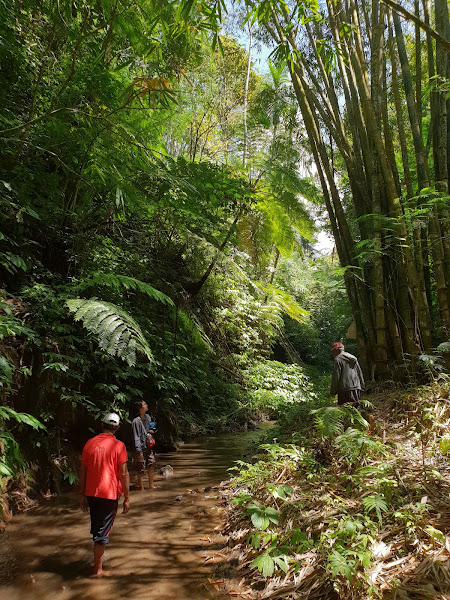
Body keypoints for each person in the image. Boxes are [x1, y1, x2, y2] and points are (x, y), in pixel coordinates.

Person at [79, 412, 130, 578]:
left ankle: (96, 562)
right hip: (108, 494)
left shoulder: (89, 443)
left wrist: (81, 494)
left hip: (91, 493)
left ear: (102, 425)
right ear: (117, 428)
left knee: (97, 528)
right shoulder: (119, 446)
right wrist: (127, 499)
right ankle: (98, 571)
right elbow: (124, 474)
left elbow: (83, 471)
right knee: (102, 533)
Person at [330, 342, 365, 407]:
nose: (332, 353)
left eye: (332, 351)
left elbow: (336, 376)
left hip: (344, 390)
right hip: (356, 387)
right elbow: (359, 372)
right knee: (356, 410)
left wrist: (333, 391)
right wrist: (362, 386)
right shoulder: (353, 358)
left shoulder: (337, 359)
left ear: (336, 350)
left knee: (344, 410)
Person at [132, 400, 156, 490]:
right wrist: (138, 450)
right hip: (140, 447)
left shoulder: (148, 417)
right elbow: (136, 436)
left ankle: (151, 485)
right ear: (140, 408)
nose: (146, 405)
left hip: (148, 446)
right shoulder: (136, 421)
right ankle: (141, 488)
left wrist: (151, 431)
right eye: (144, 404)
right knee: (140, 467)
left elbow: (147, 429)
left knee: (151, 463)